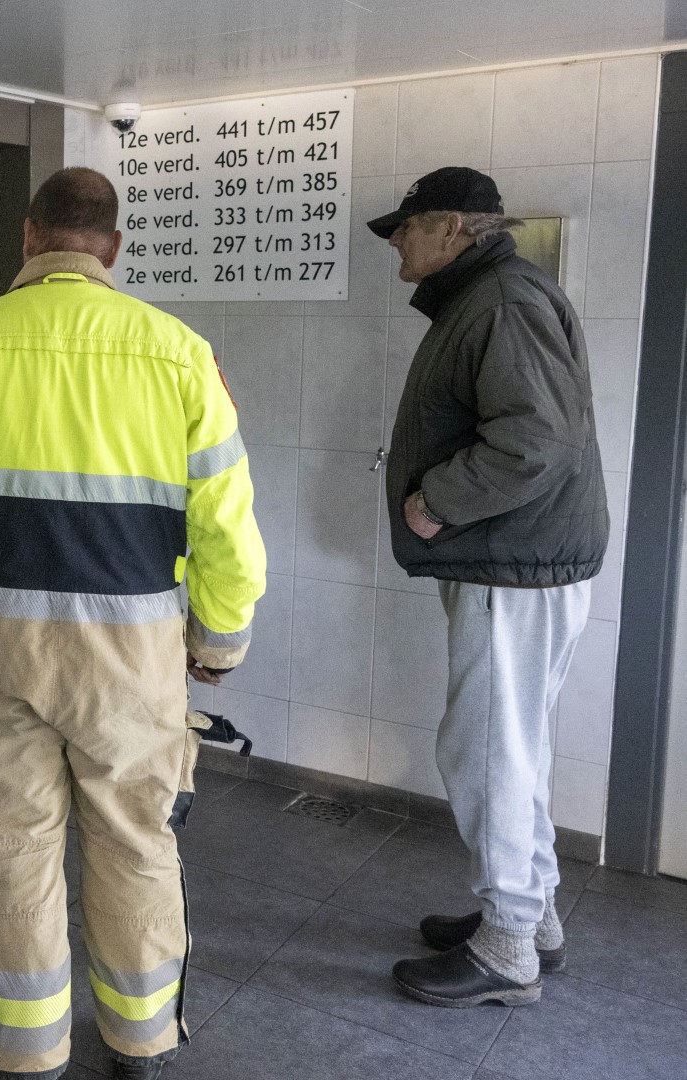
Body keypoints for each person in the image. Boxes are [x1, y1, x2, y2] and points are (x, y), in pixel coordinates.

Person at [0, 166, 267, 1080]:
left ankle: (26, 1052)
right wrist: (219, 638)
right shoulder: (177, 352)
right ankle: (140, 1042)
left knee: (8, 846)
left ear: (27, 238)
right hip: (129, 652)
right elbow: (227, 525)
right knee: (135, 840)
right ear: (113, 249)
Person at [370, 167, 608, 1007]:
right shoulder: (492, 294)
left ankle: (505, 945)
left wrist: (436, 501)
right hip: (520, 559)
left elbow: (533, 439)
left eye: (404, 227)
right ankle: (530, 918)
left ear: (452, 228)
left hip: (507, 559)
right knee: (514, 747)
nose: (395, 241)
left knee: (484, 753)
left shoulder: (500, 300)